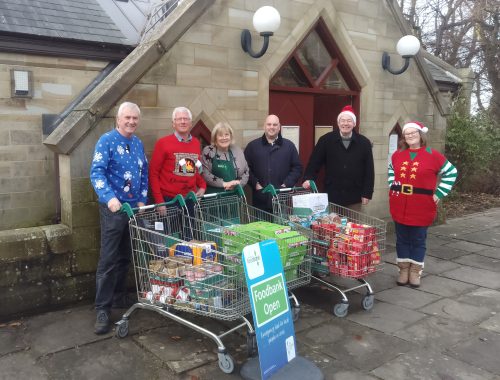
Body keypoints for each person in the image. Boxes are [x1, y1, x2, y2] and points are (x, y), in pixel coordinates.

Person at [90, 102, 149, 335]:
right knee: (109, 259)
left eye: (135, 118)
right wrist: (108, 197)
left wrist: (143, 199)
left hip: (134, 209)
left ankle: (118, 296)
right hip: (113, 209)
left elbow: (144, 172)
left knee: (126, 256)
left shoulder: (138, 143)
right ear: (118, 118)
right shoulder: (106, 141)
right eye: (127, 118)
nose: (131, 122)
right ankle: (102, 309)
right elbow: (96, 172)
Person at [388, 121, 457, 287]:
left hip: (421, 205)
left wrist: (439, 193)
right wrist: (392, 185)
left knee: (418, 239)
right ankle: (403, 270)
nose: (410, 136)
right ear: (404, 137)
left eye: (414, 133)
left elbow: (451, 172)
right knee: (402, 239)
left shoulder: (433, 155)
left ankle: (415, 271)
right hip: (399, 204)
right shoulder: (397, 155)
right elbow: (391, 170)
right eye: (407, 133)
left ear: (420, 135)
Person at [302, 105, 374, 209]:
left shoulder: (364, 143)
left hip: (354, 196)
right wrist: (308, 177)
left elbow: (369, 170)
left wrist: (367, 193)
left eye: (349, 121)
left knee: (352, 225)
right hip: (332, 195)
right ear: (338, 123)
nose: (345, 123)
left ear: (354, 123)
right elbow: (314, 162)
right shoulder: (326, 140)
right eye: (343, 120)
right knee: (332, 225)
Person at [149, 106, 206, 214]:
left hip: (190, 199)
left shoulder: (196, 143)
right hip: (169, 200)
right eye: (179, 119)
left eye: (186, 119)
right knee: (171, 231)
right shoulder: (163, 143)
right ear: (173, 123)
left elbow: (194, 170)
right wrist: (159, 201)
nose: (183, 122)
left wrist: (202, 186)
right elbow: (153, 173)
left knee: (190, 230)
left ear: (191, 123)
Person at [244, 114, 303, 212]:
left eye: (275, 125)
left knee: (281, 227)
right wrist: (255, 184)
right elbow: (245, 169)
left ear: (279, 127)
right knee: (260, 227)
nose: (272, 127)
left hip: (281, 199)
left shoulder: (289, 146)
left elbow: (297, 168)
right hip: (260, 199)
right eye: (269, 124)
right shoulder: (253, 146)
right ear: (264, 126)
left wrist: (286, 184)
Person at [201, 122, 249, 194]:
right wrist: (224, 184)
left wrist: (238, 184)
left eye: (226, 134)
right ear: (215, 138)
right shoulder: (208, 151)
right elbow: (205, 174)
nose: (224, 138)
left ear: (231, 136)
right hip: (214, 198)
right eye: (220, 135)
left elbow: (246, 171)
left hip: (234, 195)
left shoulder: (237, 151)